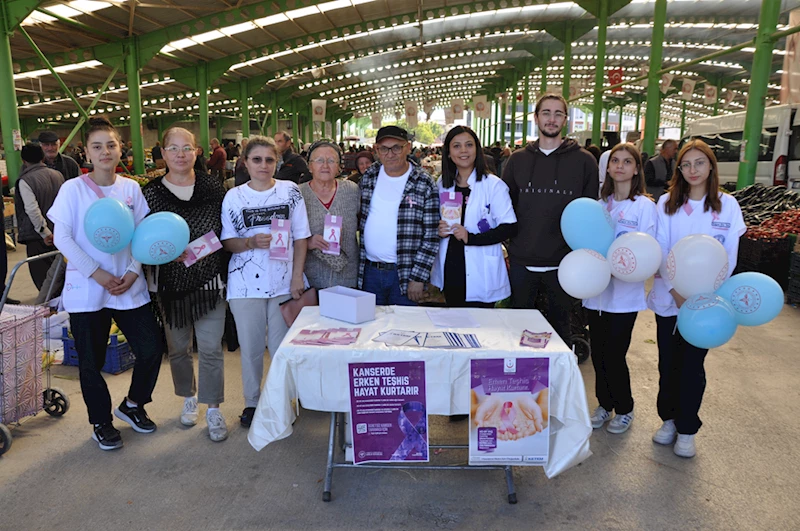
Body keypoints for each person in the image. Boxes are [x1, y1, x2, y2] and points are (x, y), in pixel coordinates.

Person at [47, 117, 163, 451]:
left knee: (151, 348)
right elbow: (63, 238)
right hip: (87, 291)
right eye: (97, 146)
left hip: (129, 285)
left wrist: (132, 271)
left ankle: (133, 404)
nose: (105, 152)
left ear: (119, 147)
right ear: (87, 151)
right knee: (90, 362)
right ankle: (101, 421)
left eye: (111, 145)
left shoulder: (131, 188)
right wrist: (95, 273)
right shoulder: (73, 189)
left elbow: (143, 234)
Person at [647, 139, 746, 458]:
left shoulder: (726, 205)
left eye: (699, 163)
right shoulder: (666, 204)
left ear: (711, 166)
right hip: (670, 299)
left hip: (707, 304)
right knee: (667, 363)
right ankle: (669, 420)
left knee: (693, 366)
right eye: (686, 164)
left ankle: (688, 428)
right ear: (678, 169)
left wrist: (705, 294)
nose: (692, 170)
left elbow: (729, 254)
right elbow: (660, 250)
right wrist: (676, 292)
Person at [142, 127, 229, 442]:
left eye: (186, 148)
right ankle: (188, 396)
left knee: (210, 349)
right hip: (171, 285)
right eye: (173, 148)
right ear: (163, 154)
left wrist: (192, 252)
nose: (180, 154)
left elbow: (224, 229)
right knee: (179, 348)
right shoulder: (150, 193)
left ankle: (214, 408)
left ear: (197, 151)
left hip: (209, 280)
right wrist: (164, 255)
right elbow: (142, 238)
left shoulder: (213, 187)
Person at [220, 135, 310, 428]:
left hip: (284, 283)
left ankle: (284, 400)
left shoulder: (290, 192)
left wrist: (297, 276)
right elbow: (228, 242)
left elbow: (301, 238)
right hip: (244, 284)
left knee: (282, 347)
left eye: (269, 160)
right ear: (245, 162)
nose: (263, 165)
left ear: (278, 162)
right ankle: (252, 402)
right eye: (256, 159)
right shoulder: (234, 196)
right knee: (251, 347)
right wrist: (249, 242)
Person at [502, 93, 599, 346]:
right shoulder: (517, 160)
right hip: (523, 260)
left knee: (560, 334)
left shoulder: (585, 161)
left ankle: (559, 386)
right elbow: (506, 208)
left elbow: (589, 213)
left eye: (558, 114)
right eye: (546, 113)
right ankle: (521, 384)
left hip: (564, 264)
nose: (552, 119)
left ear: (565, 120)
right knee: (518, 334)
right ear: (536, 118)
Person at [584, 143, 657, 435]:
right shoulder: (599, 205)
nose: (620, 166)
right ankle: (604, 405)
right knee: (598, 356)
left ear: (636, 169)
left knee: (615, 355)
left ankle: (625, 408)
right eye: (615, 160)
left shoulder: (644, 207)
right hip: (596, 294)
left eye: (627, 161)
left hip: (625, 298)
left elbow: (649, 249)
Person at [430, 126, 517, 307]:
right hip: (451, 264)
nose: (463, 151)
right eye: (457, 146)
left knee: (481, 327)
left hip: (480, 268)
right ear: (448, 153)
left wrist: (471, 237)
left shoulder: (493, 185)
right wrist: (437, 229)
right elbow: (432, 219)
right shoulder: (442, 184)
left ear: (477, 150)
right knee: (454, 322)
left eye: (469, 145)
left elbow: (509, 227)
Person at [358, 125, 439, 305]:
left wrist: (418, 277)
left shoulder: (423, 182)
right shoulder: (369, 176)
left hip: (405, 273)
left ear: (408, 148)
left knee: (403, 329)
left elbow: (432, 235)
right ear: (377, 150)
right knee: (371, 329)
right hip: (370, 272)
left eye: (396, 147)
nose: (390, 153)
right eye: (384, 149)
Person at [299, 141, 360, 289]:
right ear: (310, 166)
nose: (325, 166)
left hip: (348, 278)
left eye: (331, 161)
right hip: (310, 281)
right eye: (319, 160)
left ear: (339, 167)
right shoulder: (297, 194)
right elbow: (282, 238)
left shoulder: (352, 191)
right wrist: (307, 243)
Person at [15, 143, 64, 290]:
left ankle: (49, 310)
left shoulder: (25, 180)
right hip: (59, 233)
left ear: (23, 160)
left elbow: (32, 210)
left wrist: (45, 232)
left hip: (38, 237)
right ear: (42, 157)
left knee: (43, 279)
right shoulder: (58, 175)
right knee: (60, 274)